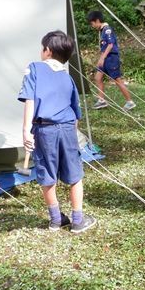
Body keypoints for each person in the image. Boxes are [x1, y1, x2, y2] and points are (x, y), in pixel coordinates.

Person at [18, 30, 97, 234]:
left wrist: (26, 131)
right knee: (74, 174)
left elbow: (30, 100)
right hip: (67, 128)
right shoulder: (68, 77)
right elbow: (76, 113)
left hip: (44, 129)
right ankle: (78, 220)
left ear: (47, 50)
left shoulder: (34, 68)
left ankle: (55, 219)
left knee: (47, 173)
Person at [87, 10, 136, 111]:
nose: (92, 26)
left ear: (97, 21)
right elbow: (104, 46)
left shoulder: (107, 29)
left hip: (111, 58)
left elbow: (110, 45)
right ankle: (101, 100)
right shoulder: (101, 31)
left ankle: (129, 102)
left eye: (92, 23)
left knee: (117, 80)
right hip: (105, 58)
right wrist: (100, 59)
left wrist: (103, 57)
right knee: (98, 77)